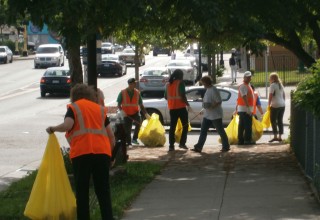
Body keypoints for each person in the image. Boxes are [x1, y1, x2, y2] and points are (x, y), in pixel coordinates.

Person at [46, 84, 115, 220]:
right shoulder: (100, 110)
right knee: (103, 191)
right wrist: (110, 156)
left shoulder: (74, 108)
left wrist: (53, 128)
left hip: (82, 155)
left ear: (74, 96)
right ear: (90, 95)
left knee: (82, 192)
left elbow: (67, 125)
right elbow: (111, 136)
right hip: (102, 154)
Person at [192, 76, 230, 153]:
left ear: (206, 82)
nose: (203, 85)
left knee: (220, 131)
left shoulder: (213, 90)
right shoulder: (208, 90)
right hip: (207, 115)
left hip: (215, 115)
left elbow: (219, 101)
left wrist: (211, 107)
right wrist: (204, 108)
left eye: (203, 83)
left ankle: (226, 146)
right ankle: (199, 146)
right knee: (203, 130)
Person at [117, 78, 150, 146]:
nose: (135, 84)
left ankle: (134, 139)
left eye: (135, 83)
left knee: (139, 123)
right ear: (130, 84)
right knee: (127, 130)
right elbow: (118, 104)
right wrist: (122, 111)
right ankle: (128, 142)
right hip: (126, 114)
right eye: (134, 83)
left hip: (135, 112)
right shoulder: (122, 92)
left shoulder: (137, 92)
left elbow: (141, 104)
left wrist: (146, 114)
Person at [164, 69, 191, 151]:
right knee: (185, 126)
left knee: (172, 127)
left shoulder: (168, 84)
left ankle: (171, 145)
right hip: (181, 108)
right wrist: (187, 104)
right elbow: (183, 95)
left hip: (172, 108)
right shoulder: (181, 83)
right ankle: (182, 143)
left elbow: (165, 97)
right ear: (181, 75)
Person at [237, 71, 255, 145]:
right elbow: (244, 97)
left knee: (242, 125)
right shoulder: (244, 86)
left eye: (250, 77)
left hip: (243, 109)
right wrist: (248, 108)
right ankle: (247, 140)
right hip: (245, 109)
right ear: (244, 77)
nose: (249, 78)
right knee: (247, 125)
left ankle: (241, 140)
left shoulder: (247, 85)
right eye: (247, 77)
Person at [268, 72, 285, 142]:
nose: (269, 79)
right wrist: (283, 102)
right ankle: (280, 137)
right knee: (280, 120)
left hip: (275, 105)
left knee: (273, 120)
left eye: (270, 78)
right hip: (282, 105)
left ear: (272, 78)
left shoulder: (272, 85)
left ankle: (275, 136)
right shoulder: (280, 85)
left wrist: (269, 104)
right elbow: (284, 95)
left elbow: (270, 96)